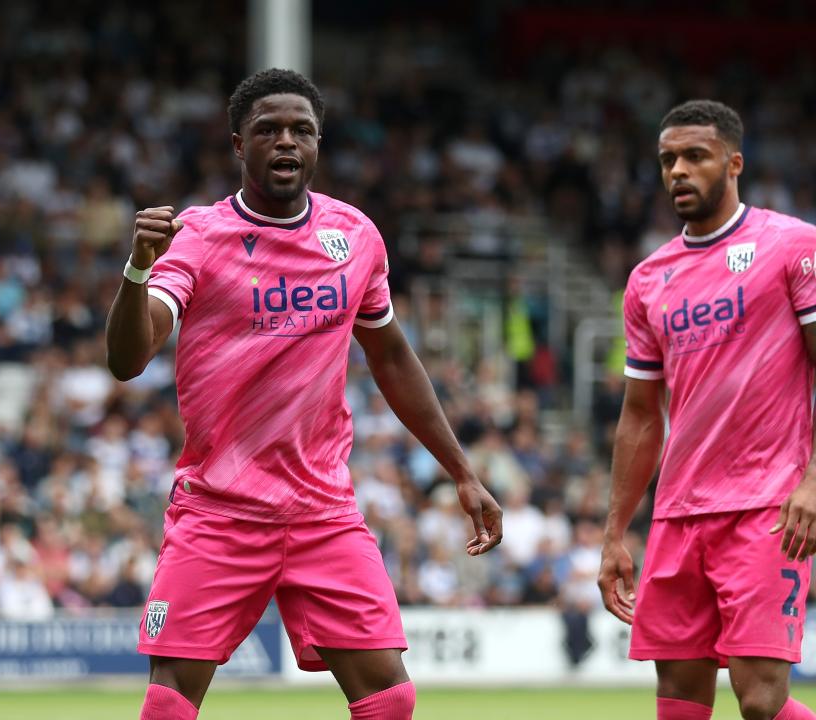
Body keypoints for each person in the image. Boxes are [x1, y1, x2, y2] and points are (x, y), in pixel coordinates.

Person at [105, 68, 503, 720]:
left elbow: (393, 356)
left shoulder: (356, 238)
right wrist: (137, 268)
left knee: (390, 698)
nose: (286, 142)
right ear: (239, 145)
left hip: (322, 510)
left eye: (301, 130)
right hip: (219, 511)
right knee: (169, 706)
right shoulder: (198, 238)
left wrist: (460, 469)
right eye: (268, 130)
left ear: (319, 143)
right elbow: (127, 359)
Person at [598, 99, 816, 720]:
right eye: (668, 160)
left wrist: (814, 480)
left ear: (734, 162)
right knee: (678, 702)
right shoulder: (648, 279)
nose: (678, 172)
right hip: (678, 513)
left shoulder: (792, 246)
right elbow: (640, 414)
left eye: (696, 156)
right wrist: (615, 531)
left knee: (761, 704)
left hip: (767, 507)